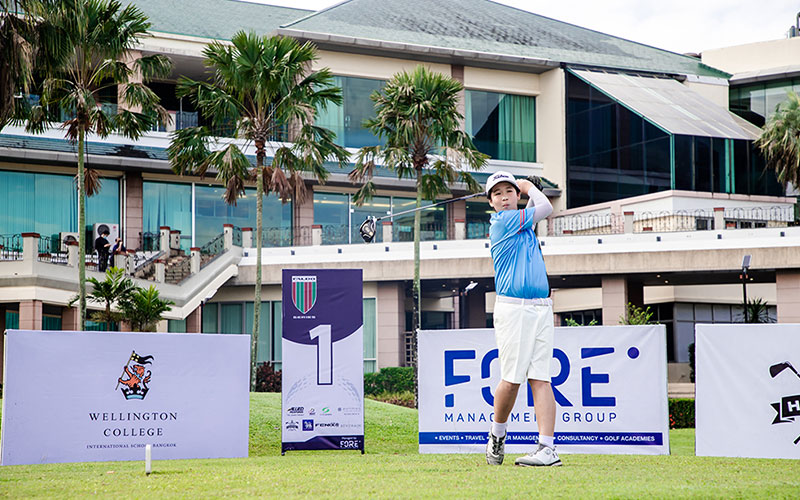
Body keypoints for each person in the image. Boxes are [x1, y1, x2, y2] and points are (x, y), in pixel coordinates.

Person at [483, 171, 561, 467]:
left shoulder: (525, 225)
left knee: (541, 378)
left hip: (541, 307)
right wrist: (528, 185)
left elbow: (539, 210)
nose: (504, 197)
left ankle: (546, 449)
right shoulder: (502, 222)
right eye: (497, 194)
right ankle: (497, 434)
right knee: (512, 380)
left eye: (510, 191)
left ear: (517, 198)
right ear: (491, 203)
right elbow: (546, 207)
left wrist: (527, 190)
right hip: (513, 308)